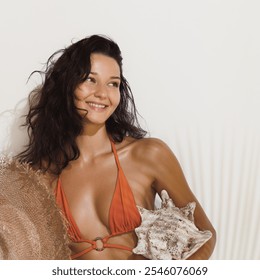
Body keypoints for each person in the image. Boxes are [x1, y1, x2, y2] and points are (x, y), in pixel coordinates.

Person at [17, 34, 216, 260]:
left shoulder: (149, 155)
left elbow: (204, 234)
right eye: (90, 79)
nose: (102, 93)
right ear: (67, 85)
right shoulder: (40, 177)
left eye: (113, 83)